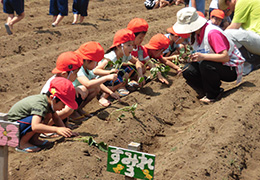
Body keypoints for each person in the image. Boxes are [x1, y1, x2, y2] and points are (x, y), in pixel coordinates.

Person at [173, 7, 245, 103]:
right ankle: (205, 90)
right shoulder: (196, 34)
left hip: (231, 67)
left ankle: (214, 94)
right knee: (188, 70)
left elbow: (225, 57)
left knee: (206, 64)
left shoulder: (212, 33)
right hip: (217, 64)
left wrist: (202, 57)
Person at [8, 77, 78, 153]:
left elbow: (56, 118)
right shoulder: (41, 104)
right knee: (38, 119)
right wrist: (57, 129)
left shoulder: (49, 102)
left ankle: (34, 140)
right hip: (12, 127)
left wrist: (66, 131)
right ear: (53, 99)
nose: (64, 107)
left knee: (48, 115)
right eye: (63, 104)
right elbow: (35, 126)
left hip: (20, 124)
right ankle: (22, 143)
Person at [93, 28, 144, 98]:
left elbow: (137, 62)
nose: (131, 48)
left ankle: (121, 85)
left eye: (132, 45)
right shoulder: (112, 57)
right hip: (103, 79)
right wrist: (109, 72)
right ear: (119, 46)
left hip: (114, 74)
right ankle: (106, 92)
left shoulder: (125, 54)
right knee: (119, 79)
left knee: (132, 68)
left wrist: (140, 75)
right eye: (129, 45)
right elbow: (96, 71)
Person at [41, 51, 86, 125]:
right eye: (75, 73)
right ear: (64, 74)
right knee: (68, 108)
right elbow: (52, 103)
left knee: (82, 90)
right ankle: (46, 127)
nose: (76, 76)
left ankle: (64, 121)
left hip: (55, 109)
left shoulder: (64, 80)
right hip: (46, 112)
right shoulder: (54, 85)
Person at [218, 0, 260, 75]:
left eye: (228, 6)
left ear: (229, 1)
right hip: (257, 39)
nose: (229, 8)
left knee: (228, 34)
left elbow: (234, 27)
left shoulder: (242, 2)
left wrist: (216, 38)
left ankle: (251, 62)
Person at [73, 41, 120, 107]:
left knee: (96, 87)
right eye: (96, 62)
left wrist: (110, 92)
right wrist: (106, 77)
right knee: (83, 89)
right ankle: (73, 112)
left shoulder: (88, 69)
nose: (97, 65)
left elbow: (96, 82)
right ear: (88, 60)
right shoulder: (78, 68)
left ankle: (79, 109)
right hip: (66, 96)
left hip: (75, 94)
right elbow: (87, 84)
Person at [127, 18, 168, 84]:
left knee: (143, 67)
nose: (142, 40)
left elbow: (149, 62)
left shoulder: (141, 49)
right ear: (132, 36)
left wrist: (159, 75)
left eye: (143, 37)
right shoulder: (125, 49)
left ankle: (136, 81)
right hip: (125, 73)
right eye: (140, 37)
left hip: (137, 73)